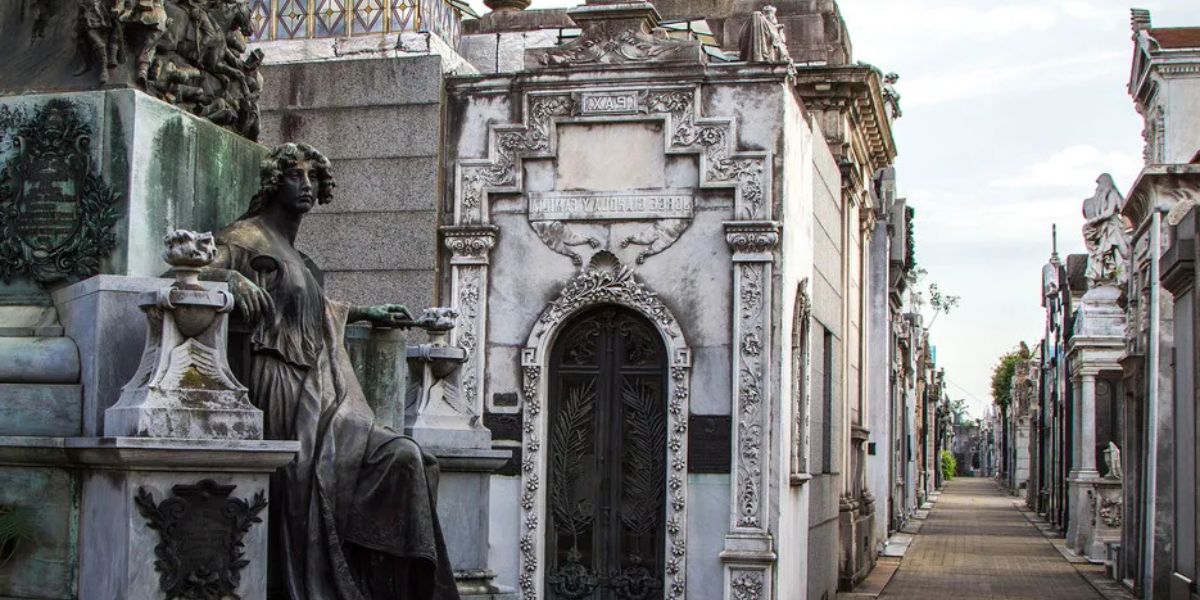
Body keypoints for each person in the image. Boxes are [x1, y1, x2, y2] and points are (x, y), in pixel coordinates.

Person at [200, 143, 460, 600]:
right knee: (306, 486)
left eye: (312, 178)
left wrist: (366, 312)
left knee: (404, 458)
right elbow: (185, 272)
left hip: (320, 387)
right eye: (294, 176)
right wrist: (230, 279)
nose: (305, 186)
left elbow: (318, 311)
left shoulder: (301, 260)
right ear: (272, 183)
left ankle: (380, 585)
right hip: (277, 384)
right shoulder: (245, 239)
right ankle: (314, 583)